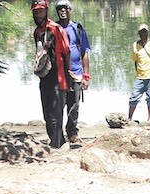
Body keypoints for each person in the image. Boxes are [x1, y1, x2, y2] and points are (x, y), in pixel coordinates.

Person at [30, 0, 69, 149]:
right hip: (44, 78)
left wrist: (70, 74)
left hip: (58, 77)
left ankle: (57, 143)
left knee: (56, 114)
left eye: (41, 11)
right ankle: (55, 141)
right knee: (47, 113)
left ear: (46, 11)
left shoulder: (56, 29)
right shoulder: (37, 32)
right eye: (36, 11)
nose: (38, 14)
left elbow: (66, 52)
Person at [55, 0, 89, 145]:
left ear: (70, 10)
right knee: (58, 105)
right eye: (59, 8)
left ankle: (72, 133)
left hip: (76, 73)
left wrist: (86, 76)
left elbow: (85, 52)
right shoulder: (54, 28)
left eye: (65, 8)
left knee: (74, 105)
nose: (62, 11)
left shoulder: (78, 28)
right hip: (58, 75)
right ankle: (57, 136)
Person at [128, 23, 150, 123]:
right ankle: (129, 119)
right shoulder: (135, 45)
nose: (143, 33)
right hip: (140, 77)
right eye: (141, 32)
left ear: (148, 32)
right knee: (133, 98)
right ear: (138, 33)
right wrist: (138, 73)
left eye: (145, 31)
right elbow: (135, 60)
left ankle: (149, 120)